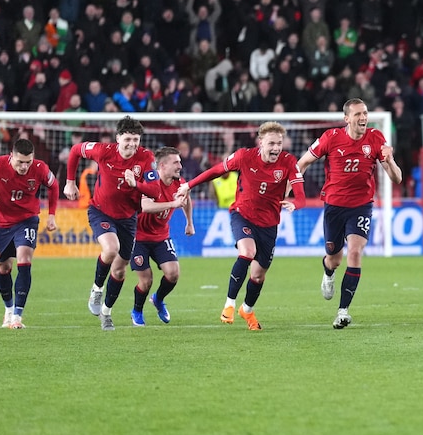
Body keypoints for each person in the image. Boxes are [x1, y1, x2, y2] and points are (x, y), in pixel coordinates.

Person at [177, 122, 305, 330]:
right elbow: (216, 170)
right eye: (271, 143)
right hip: (242, 214)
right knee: (247, 252)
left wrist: (295, 204)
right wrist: (189, 185)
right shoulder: (244, 156)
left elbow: (301, 196)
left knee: (258, 275)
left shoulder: (288, 161)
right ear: (260, 142)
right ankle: (229, 304)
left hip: (269, 224)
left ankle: (247, 309)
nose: (276, 148)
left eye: (279, 144)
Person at [297, 98, 403, 329]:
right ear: (347, 118)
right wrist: (292, 189)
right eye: (357, 114)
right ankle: (328, 272)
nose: (363, 118)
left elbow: (396, 178)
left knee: (355, 252)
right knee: (334, 259)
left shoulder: (376, 138)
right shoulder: (331, 138)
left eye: (365, 113)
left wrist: (390, 159)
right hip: (334, 206)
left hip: (361, 206)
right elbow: (303, 163)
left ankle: (343, 311)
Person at [64, 116, 158, 331]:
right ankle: (97, 289)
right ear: (118, 138)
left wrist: (136, 184)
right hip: (101, 212)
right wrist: (70, 182)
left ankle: (106, 313)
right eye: (128, 139)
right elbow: (76, 150)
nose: (132, 144)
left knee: (120, 271)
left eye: (136, 139)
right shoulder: (103, 151)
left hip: (128, 219)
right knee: (110, 248)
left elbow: (155, 190)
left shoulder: (146, 157)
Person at [0, 139, 58, 329]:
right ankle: (9, 309)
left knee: (24, 258)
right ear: (11, 156)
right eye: (20, 162)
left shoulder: (40, 168)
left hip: (27, 219)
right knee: (4, 267)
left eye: (28, 162)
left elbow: (54, 186)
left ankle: (17, 316)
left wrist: (51, 215)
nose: (24, 166)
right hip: (1, 223)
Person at [129, 147, 195, 326]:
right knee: (146, 280)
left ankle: (158, 299)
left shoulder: (179, 183)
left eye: (180, 162)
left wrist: (189, 222)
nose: (180, 166)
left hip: (160, 236)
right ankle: (137, 310)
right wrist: (173, 203)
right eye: (176, 162)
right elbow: (145, 206)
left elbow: (186, 198)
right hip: (138, 237)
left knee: (173, 274)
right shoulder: (150, 181)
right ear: (163, 166)